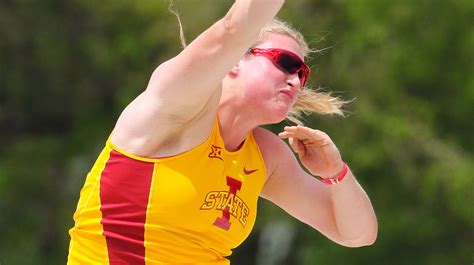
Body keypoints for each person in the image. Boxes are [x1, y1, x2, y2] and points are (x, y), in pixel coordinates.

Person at [67, 1, 377, 264]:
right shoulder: (180, 108)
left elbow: (357, 233)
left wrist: (335, 173)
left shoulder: (266, 157)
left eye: (302, 73)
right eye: (285, 63)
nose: (295, 81)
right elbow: (234, 28)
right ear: (235, 59)